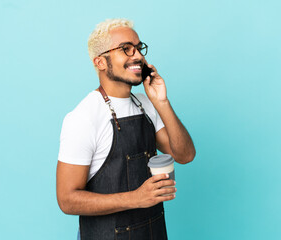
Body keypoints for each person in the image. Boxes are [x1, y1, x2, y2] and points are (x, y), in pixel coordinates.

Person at [56, 18, 196, 240]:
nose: (138, 56)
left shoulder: (146, 104)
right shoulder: (83, 118)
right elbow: (67, 199)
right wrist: (136, 198)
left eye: (139, 48)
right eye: (126, 49)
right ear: (100, 62)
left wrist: (162, 102)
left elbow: (185, 155)